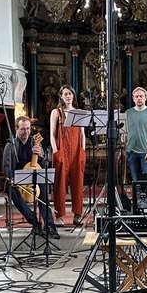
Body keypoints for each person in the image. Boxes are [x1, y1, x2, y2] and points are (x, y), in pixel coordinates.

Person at [2, 116, 59, 239]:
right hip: (17, 181)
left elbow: (43, 165)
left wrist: (42, 155)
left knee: (43, 187)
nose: (26, 132)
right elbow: (6, 168)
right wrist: (13, 179)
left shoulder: (35, 142)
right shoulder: (10, 146)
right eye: (23, 129)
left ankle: (50, 226)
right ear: (16, 129)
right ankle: (35, 223)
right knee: (14, 194)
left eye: (28, 129)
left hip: (34, 178)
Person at [50, 85, 86, 225]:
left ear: (73, 95)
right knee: (60, 184)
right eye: (65, 94)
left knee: (78, 184)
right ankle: (59, 216)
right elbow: (52, 134)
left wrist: (82, 151)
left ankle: (77, 215)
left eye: (70, 93)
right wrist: (55, 151)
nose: (68, 96)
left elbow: (82, 134)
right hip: (61, 151)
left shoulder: (79, 112)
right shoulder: (56, 112)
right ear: (61, 96)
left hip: (77, 152)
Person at [124, 87, 147, 182]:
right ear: (133, 99)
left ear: (145, 97)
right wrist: (123, 143)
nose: (139, 98)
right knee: (135, 181)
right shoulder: (128, 113)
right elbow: (124, 132)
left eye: (141, 96)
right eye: (136, 96)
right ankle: (137, 197)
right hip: (131, 152)